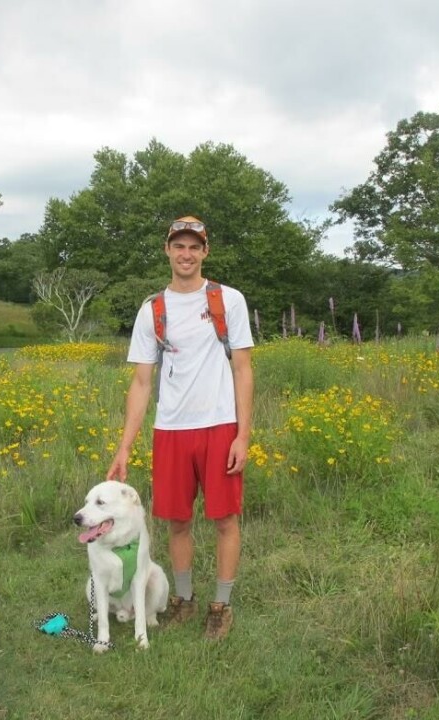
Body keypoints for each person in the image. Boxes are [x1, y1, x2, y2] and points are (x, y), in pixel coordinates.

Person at [106, 215, 254, 641]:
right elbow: (140, 382)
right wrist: (124, 448)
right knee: (176, 520)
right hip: (171, 429)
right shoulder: (153, 309)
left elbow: (242, 368)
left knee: (224, 519)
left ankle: (220, 607)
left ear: (205, 251)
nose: (186, 254)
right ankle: (184, 600)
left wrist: (243, 435)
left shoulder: (229, 300)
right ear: (167, 250)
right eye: (179, 246)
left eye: (194, 246)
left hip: (220, 425)